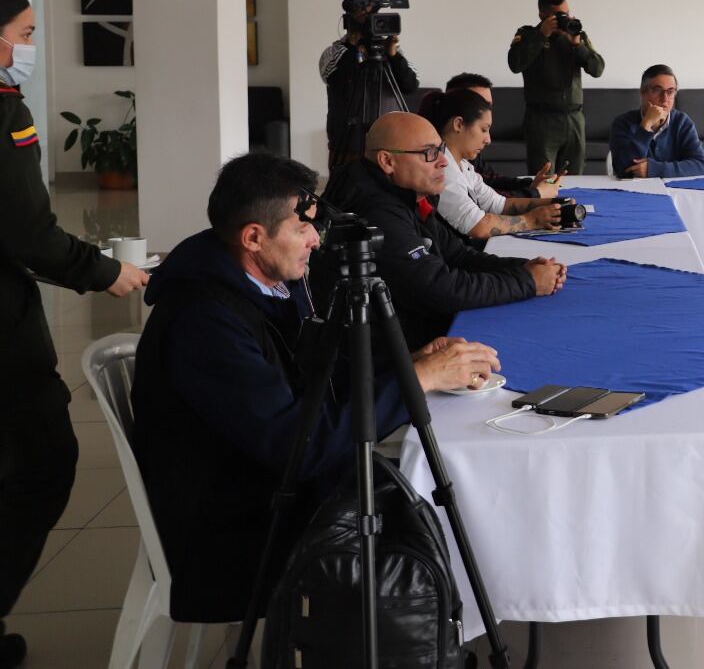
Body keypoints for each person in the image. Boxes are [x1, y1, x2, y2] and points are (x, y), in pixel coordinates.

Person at [132, 152, 499, 624]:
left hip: (262, 484)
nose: (315, 239)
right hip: (233, 531)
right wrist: (420, 382)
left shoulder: (258, 284)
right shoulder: (204, 321)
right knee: (429, 524)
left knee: (425, 496)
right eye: (302, 226)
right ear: (253, 238)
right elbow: (297, 448)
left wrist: (411, 365)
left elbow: (315, 376)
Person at [0, 0, 149, 667]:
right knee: (42, 463)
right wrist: (103, 273)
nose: (29, 46)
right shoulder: (7, 115)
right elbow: (27, 231)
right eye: (25, 31)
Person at [317, 112, 567, 349]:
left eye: (440, 150)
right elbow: (440, 289)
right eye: (429, 153)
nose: (443, 161)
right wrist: (527, 282)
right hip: (386, 355)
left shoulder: (402, 194)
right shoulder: (375, 211)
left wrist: (524, 268)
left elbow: (458, 255)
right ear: (387, 161)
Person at [421, 87, 566, 241]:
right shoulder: (443, 170)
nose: (488, 140)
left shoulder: (463, 166)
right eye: (484, 129)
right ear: (458, 124)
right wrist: (531, 220)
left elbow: (498, 204)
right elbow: (478, 226)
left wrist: (556, 205)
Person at [507, 0, 605, 175]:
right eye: (558, 15)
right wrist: (541, 35)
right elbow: (515, 64)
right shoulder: (528, 35)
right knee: (543, 179)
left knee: (575, 178)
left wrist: (577, 45)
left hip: (574, 118)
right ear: (542, 15)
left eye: (566, 13)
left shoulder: (575, 35)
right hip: (542, 120)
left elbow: (598, 69)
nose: (564, 18)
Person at [319, 0, 420, 168]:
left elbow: (410, 85)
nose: (367, 24)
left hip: (388, 139)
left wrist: (393, 55)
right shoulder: (335, 51)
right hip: (349, 139)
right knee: (344, 188)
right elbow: (335, 81)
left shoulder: (391, 52)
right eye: (362, 19)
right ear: (349, 21)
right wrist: (353, 48)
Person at [437, 73, 561, 199]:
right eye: (479, 103)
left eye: (489, 105)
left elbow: (492, 185)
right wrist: (536, 193)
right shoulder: (440, 164)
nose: (488, 140)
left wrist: (532, 184)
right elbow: (486, 205)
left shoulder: (466, 159)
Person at [608, 64, 704, 179]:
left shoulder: (683, 122)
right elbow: (622, 169)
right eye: (657, 90)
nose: (664, 99)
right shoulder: (622, 123)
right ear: (642, 93)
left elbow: (700, 165)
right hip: (635, 191)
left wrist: (654, 169)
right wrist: (645, 125)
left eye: (670, 92)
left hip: (675, 191)